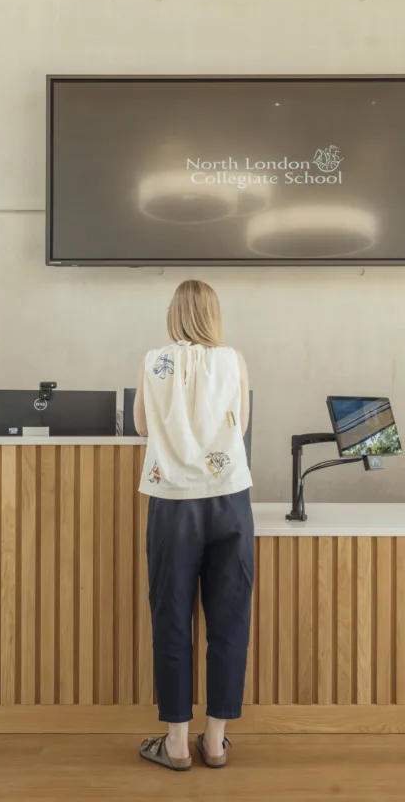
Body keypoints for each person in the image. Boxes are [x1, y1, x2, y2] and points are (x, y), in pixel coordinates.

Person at [134, 280, 253, 772]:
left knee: (172, 619)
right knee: (229, 621)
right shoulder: (235, 360)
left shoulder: (152, 361)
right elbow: (239, 427)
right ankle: (217, 742)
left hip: (172, 501)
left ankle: (177, 743)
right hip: (228, 499)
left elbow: (142, 426)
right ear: (213, 314)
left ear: (174, 314)